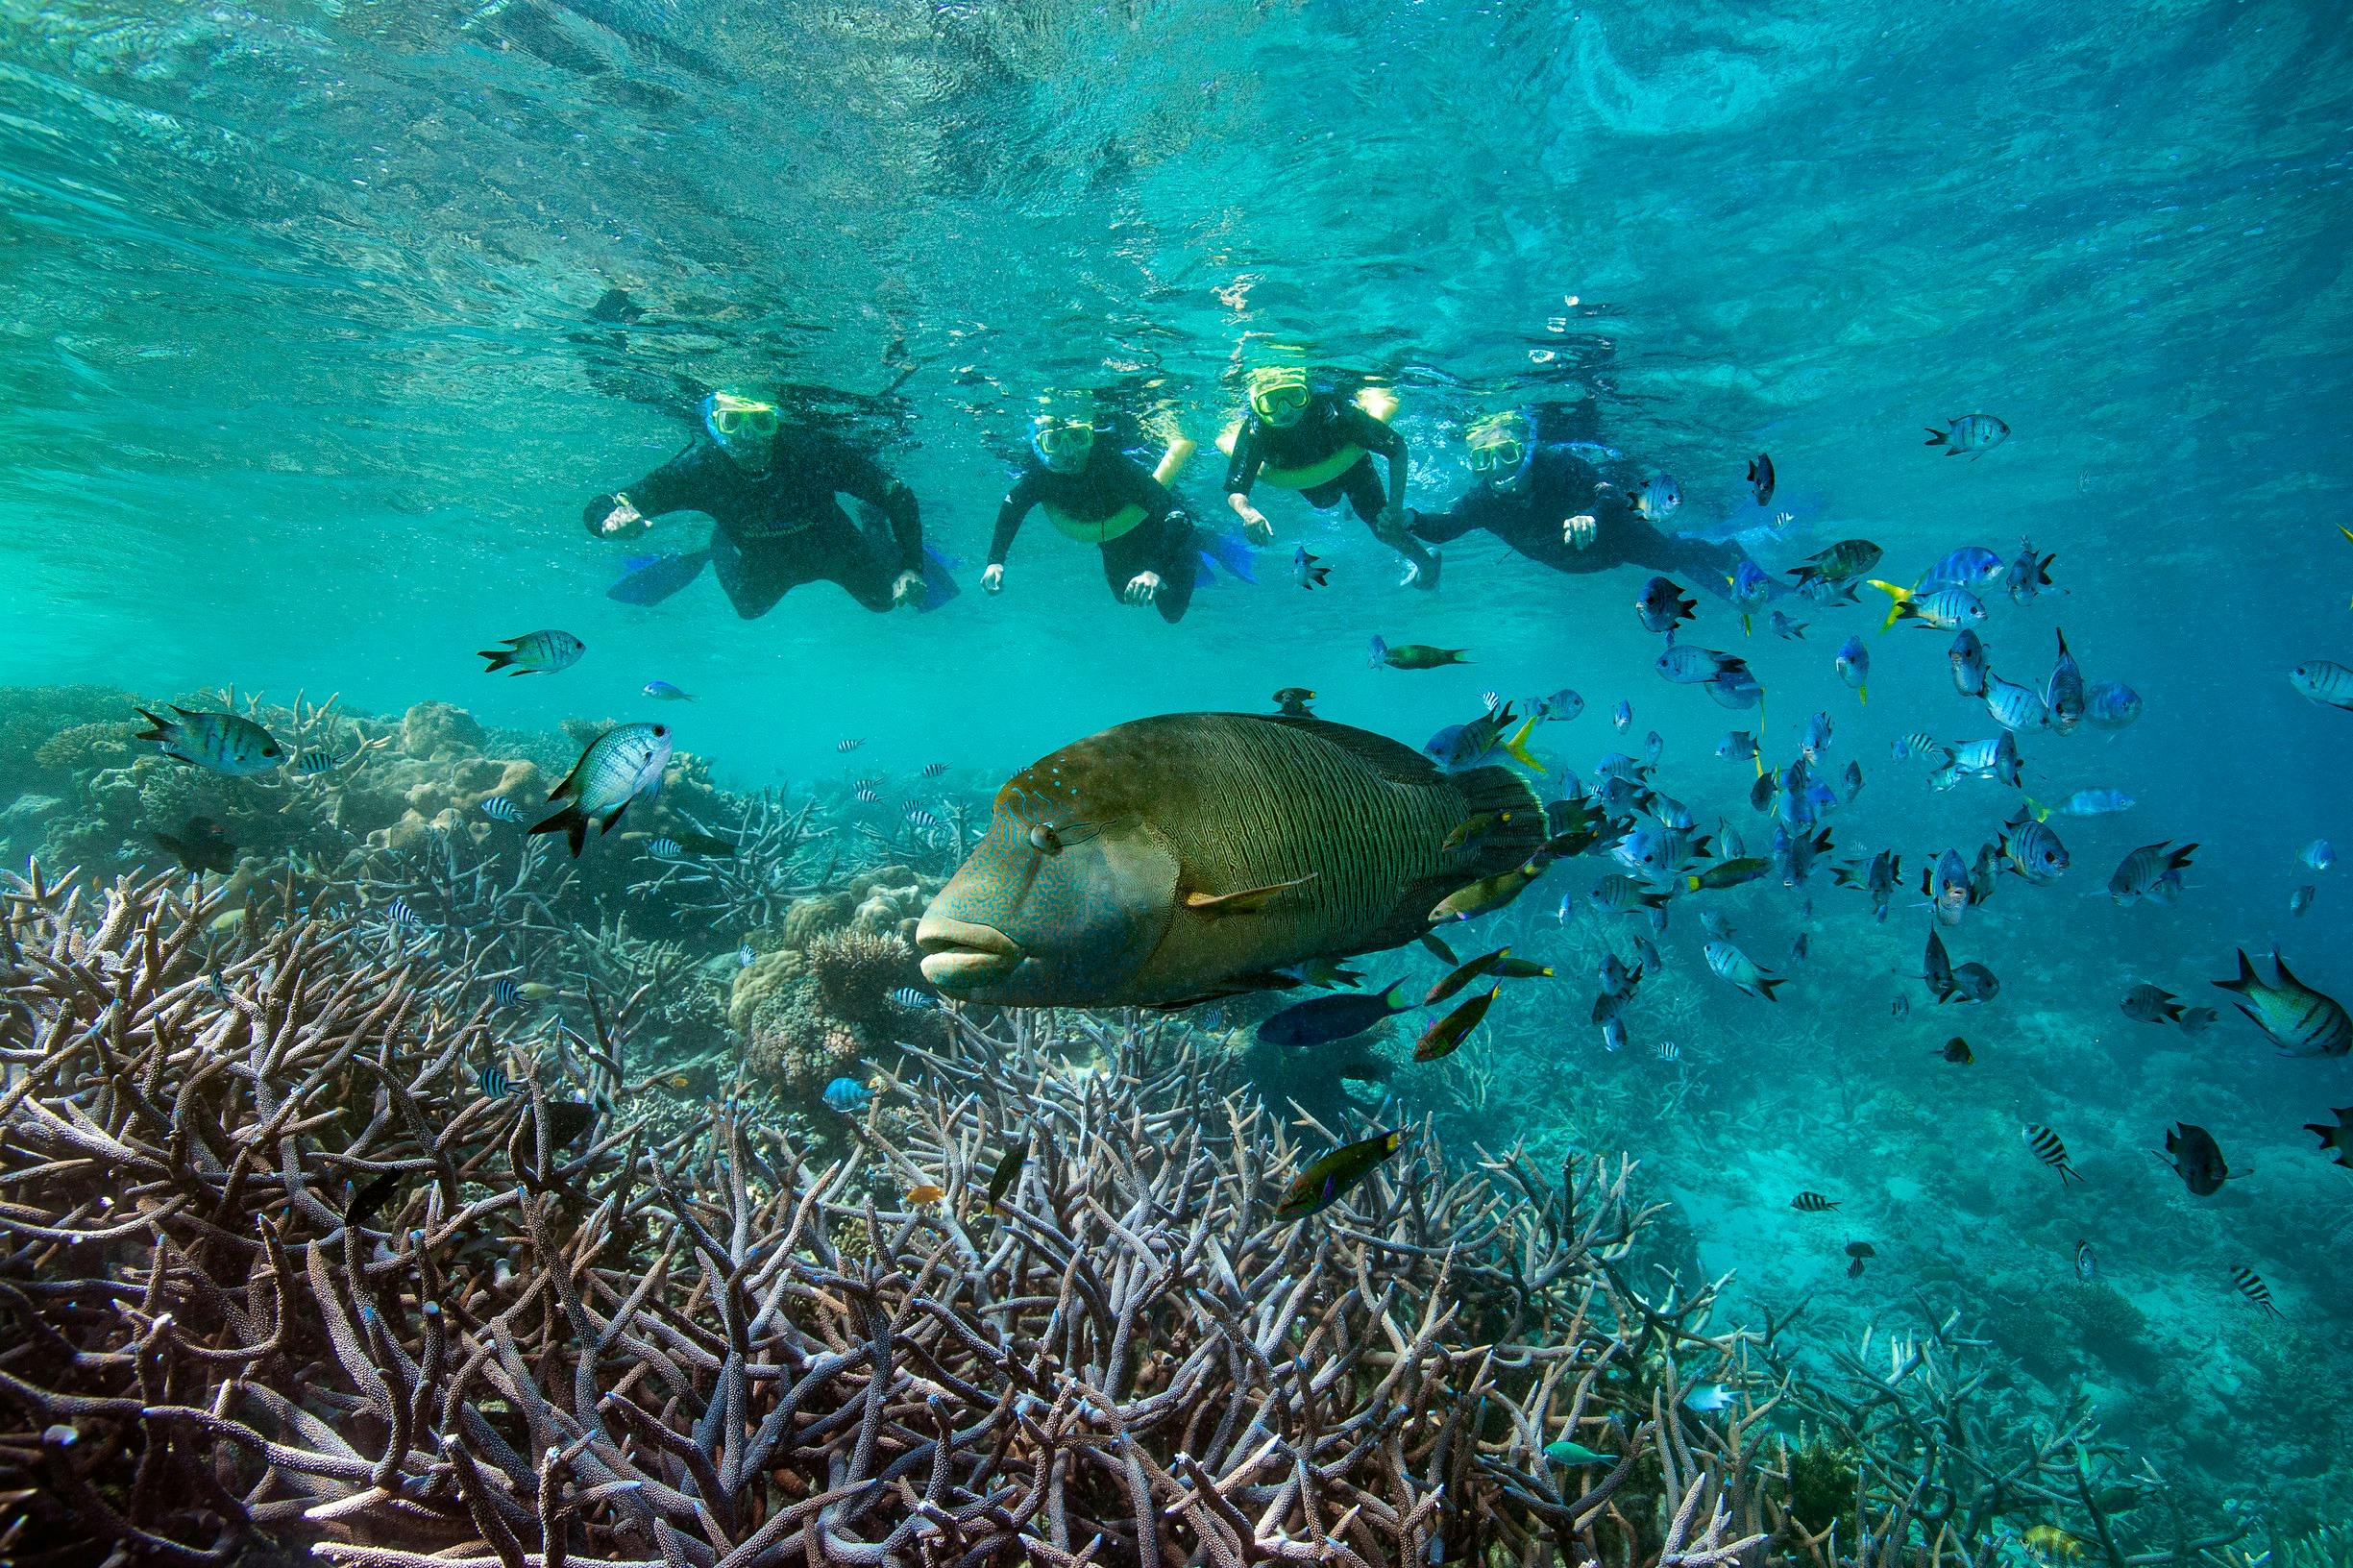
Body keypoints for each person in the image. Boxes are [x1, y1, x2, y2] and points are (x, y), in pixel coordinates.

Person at [585, 391, 934, 618]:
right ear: (713, 425)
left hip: (835, 549)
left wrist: (910, 567)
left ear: (775, 423)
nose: (749, 439)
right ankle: (716, 541)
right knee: (748, 609)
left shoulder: (810, 453)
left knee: (883, 603)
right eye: (732, 423)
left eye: (761, 422)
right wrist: (610, 521)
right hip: (768, 561)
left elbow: (896, 493)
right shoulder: (699, 470)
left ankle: (872, 522)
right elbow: (603, 505)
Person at [1408, 410, 1752, 590]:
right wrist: (1409, 520)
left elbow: (1610, 492)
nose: (1496, 468)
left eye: (1507, 453)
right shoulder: (1483, 501)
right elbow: (1447, 527)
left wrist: (1590, 516)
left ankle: (1729, 553)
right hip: (1579, 562)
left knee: (1669, 557)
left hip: (1618, 539)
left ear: (1526, 451)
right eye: (1483, 459)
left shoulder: (1555, 467)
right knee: (1670, 560)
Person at [1222, 367, 1439, 589]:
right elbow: (1235, 489)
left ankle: (1428, 566)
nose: (1285, 410)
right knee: (1325, 502)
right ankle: (1348, 504)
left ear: (1309, 392)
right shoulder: (1256, 431)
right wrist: (1247, 513)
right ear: (1257, 404)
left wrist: (1394, 507)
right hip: (1314, 486)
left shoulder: (1334, 412)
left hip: (1356, 472)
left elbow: (1397, 448)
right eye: (1271, 402)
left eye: (1295, 396)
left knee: (1384, 529)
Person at [984, 408, 1205, 624]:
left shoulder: (1112, 466)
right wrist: (995, 561)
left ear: (1091, 437)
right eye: (1054, 442)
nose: (1069, 452)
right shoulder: (1042, 477)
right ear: (1041, 446)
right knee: (1123, 596)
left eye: (1078, 437)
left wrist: (1153, 571)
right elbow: (1012, 508)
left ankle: (1201, 543)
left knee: (1172, 613)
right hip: (1114, 543)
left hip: (1158, 536)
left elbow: (1177, 515)